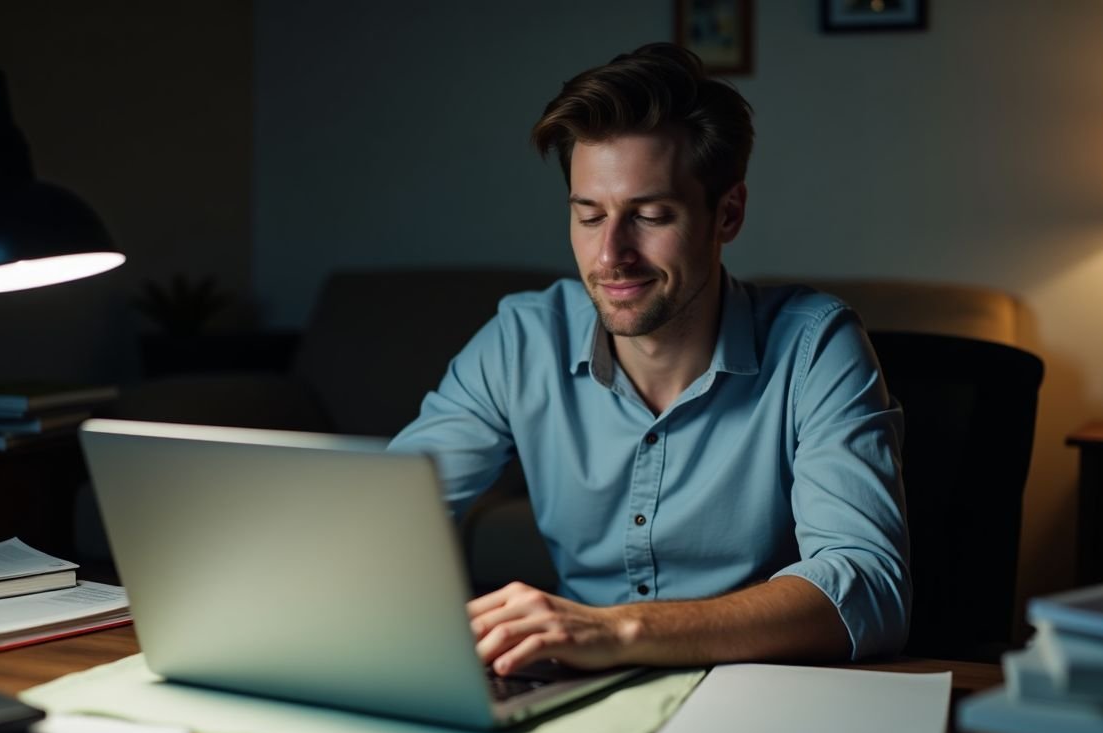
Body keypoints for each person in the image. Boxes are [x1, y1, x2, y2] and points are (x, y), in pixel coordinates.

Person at [388, 42, 909, 676]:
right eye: (589, 215)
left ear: (728, 215)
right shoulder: (521, 338)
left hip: (754, 692)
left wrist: (619, 631)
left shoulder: (817, 345)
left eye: (651, 215)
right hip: (580, 691)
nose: (611, 255)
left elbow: (867, 585)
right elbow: (385, 518)